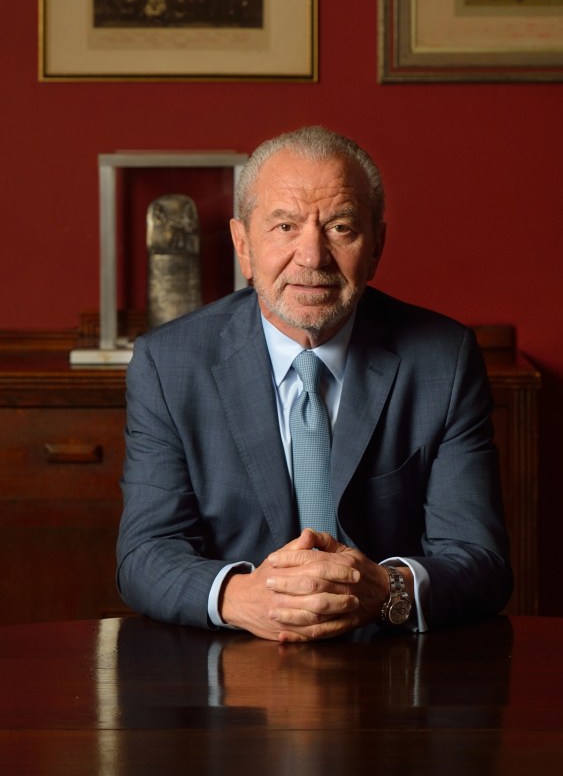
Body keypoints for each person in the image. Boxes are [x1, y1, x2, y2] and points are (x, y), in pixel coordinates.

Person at [117, 126, 512, 643]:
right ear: (243, 244)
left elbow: (480, 561)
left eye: (341, 227)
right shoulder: (168, 364)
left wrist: (383, 590)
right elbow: (145, 553)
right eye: (284, 226)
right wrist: (242, 596)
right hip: (235, 667)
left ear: (376, 246)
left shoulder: (443, 358)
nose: (313, 256)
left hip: (391, 666)